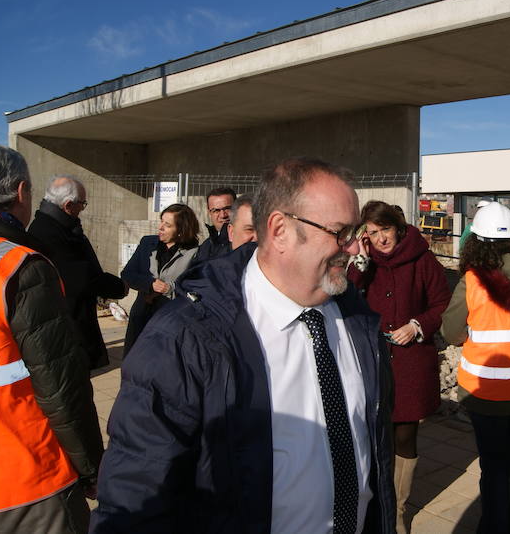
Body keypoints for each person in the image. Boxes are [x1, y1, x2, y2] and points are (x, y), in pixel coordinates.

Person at [91, 158, 395, 533]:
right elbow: (133, 498)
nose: (353, 249)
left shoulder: (358, 319)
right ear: (280, 229)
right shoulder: (185, 339)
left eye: (356, 233)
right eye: (341, 233)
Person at [0, 143, 103, 533]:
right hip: (27, 481)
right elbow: (61, 387)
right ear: (21, 192)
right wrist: (91, 468)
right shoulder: (18, 266)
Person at [348, 200, 451, 533]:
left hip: (410, 364)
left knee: (404, 436)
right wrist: (360, 263)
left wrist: (418, 325)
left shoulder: (423, 260)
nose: (380, 239)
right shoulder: (366, 263)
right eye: (373, 233)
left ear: (399, 227)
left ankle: (397, 511)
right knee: (373, 435)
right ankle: (373, 502)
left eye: (385, 230)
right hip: (372, 361)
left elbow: (441, 304)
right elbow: (346, 297)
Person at [441, 201, 510, 533]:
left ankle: (494, 527)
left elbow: (451, 332)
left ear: (476, 239)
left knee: (495, 469)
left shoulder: (473, 279)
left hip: (483, 393)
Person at [27, 175, 128, 368]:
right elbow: (82, 278)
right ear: (68, 205)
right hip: (67, 330)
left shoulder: (54, 225)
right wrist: (118, 287)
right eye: (82, 203)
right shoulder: (50, 233)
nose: (83, 208)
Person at [120, 203, 199, 357]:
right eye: (161, 221)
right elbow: (127, 274)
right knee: (133, 364)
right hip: (141, 315)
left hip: (170, 321)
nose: (160, 227)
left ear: (181, 230)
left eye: (167, 225)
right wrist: (149, 284)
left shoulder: (195, 253)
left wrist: (169, 290)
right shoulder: (147, 244)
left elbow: (194, 291)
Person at [193, 186, 236, 263]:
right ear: (209, 212)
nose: (223, 215)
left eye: (227, 208)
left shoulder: (244, 242)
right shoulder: (205, 246)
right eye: (216, 210)